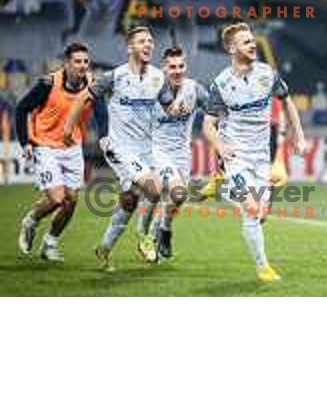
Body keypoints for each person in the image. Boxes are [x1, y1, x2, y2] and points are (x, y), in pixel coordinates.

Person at [64, 26, 179, 270]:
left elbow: (168, 106)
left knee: (129, 200)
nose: (148, 45)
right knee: (155, 186)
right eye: (141, 41)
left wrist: (177, 110)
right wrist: (68, 128)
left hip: (146, 148)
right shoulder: (113, 77)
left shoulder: (158, 77)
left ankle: (104, 248)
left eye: (150, 41)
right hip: (119, 147)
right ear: (129, 47)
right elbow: (83, 98)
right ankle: (145, 238)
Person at [202, 23, 307, 282]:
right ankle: (263, 267)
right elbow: (208, 124)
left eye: (252, 40)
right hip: (236, 156)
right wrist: (220, 147)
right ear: (231, 48)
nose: (252, 44)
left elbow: (288, 102)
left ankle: (222, 187)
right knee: (250, 208)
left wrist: (299, 136)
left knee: (260, 214)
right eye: (246, 41)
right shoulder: (221, 83)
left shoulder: (267, 73)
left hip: (261, 157)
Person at [16, 43, 103, 261]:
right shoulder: (48, 83)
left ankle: (50, 244)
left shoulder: (92, 85)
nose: (82, 66)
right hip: (45, 145)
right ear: (66, 63)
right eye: (77, 61)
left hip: (72, 147)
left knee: (71, 200)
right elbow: (21, 108)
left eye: (85, 61)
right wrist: (25, 142)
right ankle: (30, 221)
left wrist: (105, 136)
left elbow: (102, 113)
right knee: (57, 198)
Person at [142, 46, 208, 259]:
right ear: (163, 68)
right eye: (172, 67)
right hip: (158, 150)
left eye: (181, 66)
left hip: (182, 153)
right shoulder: (152, 90)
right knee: (177, 191)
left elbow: (214, 109)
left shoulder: (194, 89)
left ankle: (163, 230)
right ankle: (149, 235)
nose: (177, 70)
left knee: (178, 198)